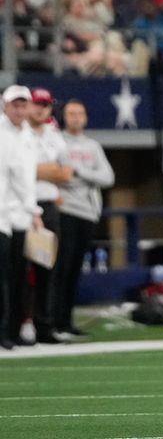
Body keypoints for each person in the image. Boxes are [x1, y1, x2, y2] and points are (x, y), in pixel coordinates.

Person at [53, 99, 114, 340]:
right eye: (71, 113)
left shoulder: (93, 146)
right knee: (62, 268)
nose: (76, 118)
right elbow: (60, 176)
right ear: (64, 116)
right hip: (65, 210)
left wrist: (79, 172)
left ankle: (67, 321)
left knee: (75, 270)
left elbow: (108, 177)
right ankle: (55, 321)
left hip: (88, 213)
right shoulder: (56, 142)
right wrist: (87, 176)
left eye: (80, 113)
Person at [26, 88, 70, 344]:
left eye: (45, 105)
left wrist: (35, 171)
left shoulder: (54, 135)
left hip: (49, 205)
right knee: (18, 271)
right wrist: (45, 171)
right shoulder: (18, 133)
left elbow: (65, 173)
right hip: (21, 206)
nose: (41, 109)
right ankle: (17, 323)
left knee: (48, 268)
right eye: (37, 104)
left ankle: (44, 325)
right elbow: (17, 172)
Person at [3, 85, 45, 346]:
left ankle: (15, 328)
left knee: (19, 276)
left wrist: (31, 211)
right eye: (14, 105)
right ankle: (4, 330)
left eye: (23, 105)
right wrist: (34, 209)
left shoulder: (28, 135)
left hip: (21, 215)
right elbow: (15, 175)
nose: (19, 110)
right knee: (4, 278)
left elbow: (28, 178)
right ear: (4, 106)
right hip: (3, 215)